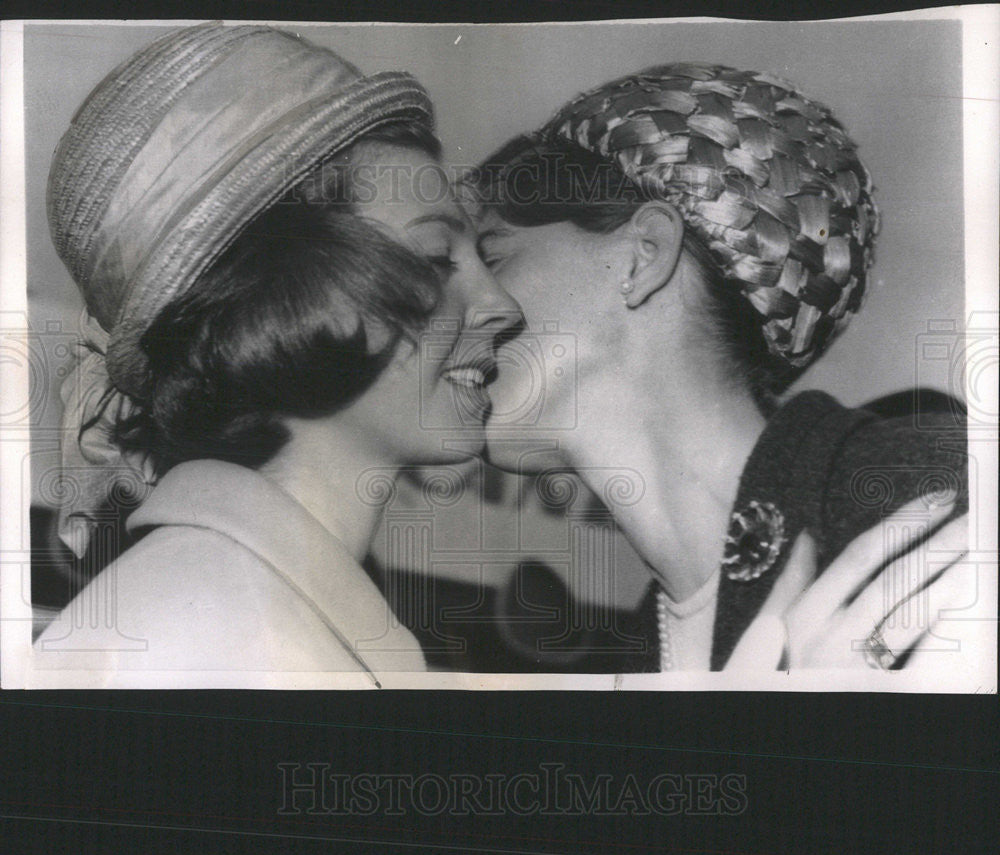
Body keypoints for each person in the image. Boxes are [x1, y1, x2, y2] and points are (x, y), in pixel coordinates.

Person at [32, 23, 521, 686]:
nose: (502, 306)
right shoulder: (217, 634)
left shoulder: (247, 606)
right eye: (437, 258)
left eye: (484, 260)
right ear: (278, 294)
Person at [472, 63, 969, 672]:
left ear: (644, 255)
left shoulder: (935, 487)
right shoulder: (632, 662)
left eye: (491, 258)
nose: (459, 305)